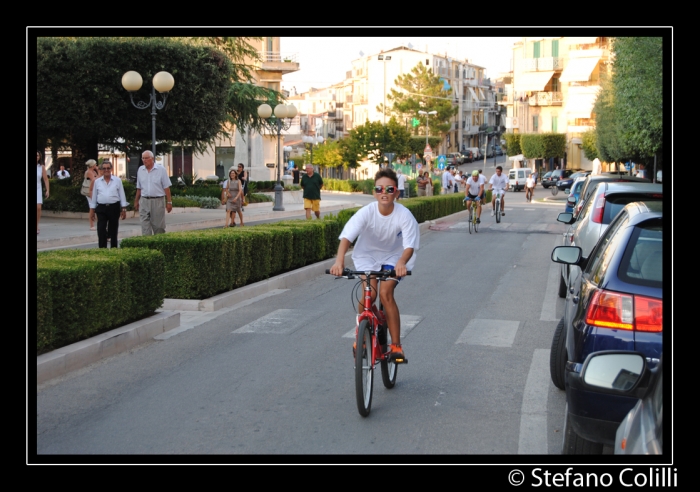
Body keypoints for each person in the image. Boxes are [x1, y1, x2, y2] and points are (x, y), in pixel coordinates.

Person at [329, 168, 419, 363]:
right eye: (379, 189)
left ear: (396, 192)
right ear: (374, 192)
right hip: (367, 256)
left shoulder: (404, 215)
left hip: (395, 257)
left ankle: (396, 346)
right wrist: (339, 260)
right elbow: (347, 236)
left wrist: (402, 262)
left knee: (386, 293)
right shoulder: (367, 212)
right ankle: (361, 334)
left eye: (389, 189)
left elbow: (409, 246)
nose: (384, 193)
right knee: (370, 293)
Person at [89, 161, 128, 248]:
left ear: (111, 169)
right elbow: (94, 197)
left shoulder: (117, 181)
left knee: (113, 230)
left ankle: (114, 248)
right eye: (104, 168)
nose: (106, 170)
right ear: (102, 170)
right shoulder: (97, 182)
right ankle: (102, 249)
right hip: (101, 208)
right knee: (101, 229)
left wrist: (124, 209)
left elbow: (122, 195)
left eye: (108, 168)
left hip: (114, 207)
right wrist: (92, 211)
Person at [134, 150, 173, 236]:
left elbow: (166, 187)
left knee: (159, 227)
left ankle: (158, 246)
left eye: (146, 158)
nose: (144, 160)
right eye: (143, 158)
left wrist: (169, 202)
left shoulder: (161, 170)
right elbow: (139, 188)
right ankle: (147, 246)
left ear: (152, 159)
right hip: (144, 201)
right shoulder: (140, 170)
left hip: (158, 201)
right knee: (145, 227)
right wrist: (136, 201)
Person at [84, 159, 100, 231]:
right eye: (95, 164)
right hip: (89, 191)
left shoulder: (93, 171)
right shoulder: (89, 172)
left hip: (93, 190)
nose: (96, 165)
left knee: (93, 207)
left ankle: (94, 223)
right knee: (91, 207)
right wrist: (99, 171)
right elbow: (95, 180)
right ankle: (91, 225)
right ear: (93, 165)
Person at [36, 151, 49, 235]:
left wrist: (47, 190)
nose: (36, 157)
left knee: (38, 208)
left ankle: (37, 226)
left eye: (37, 155)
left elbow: (45, 179)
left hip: (38, 188)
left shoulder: (41, 167)